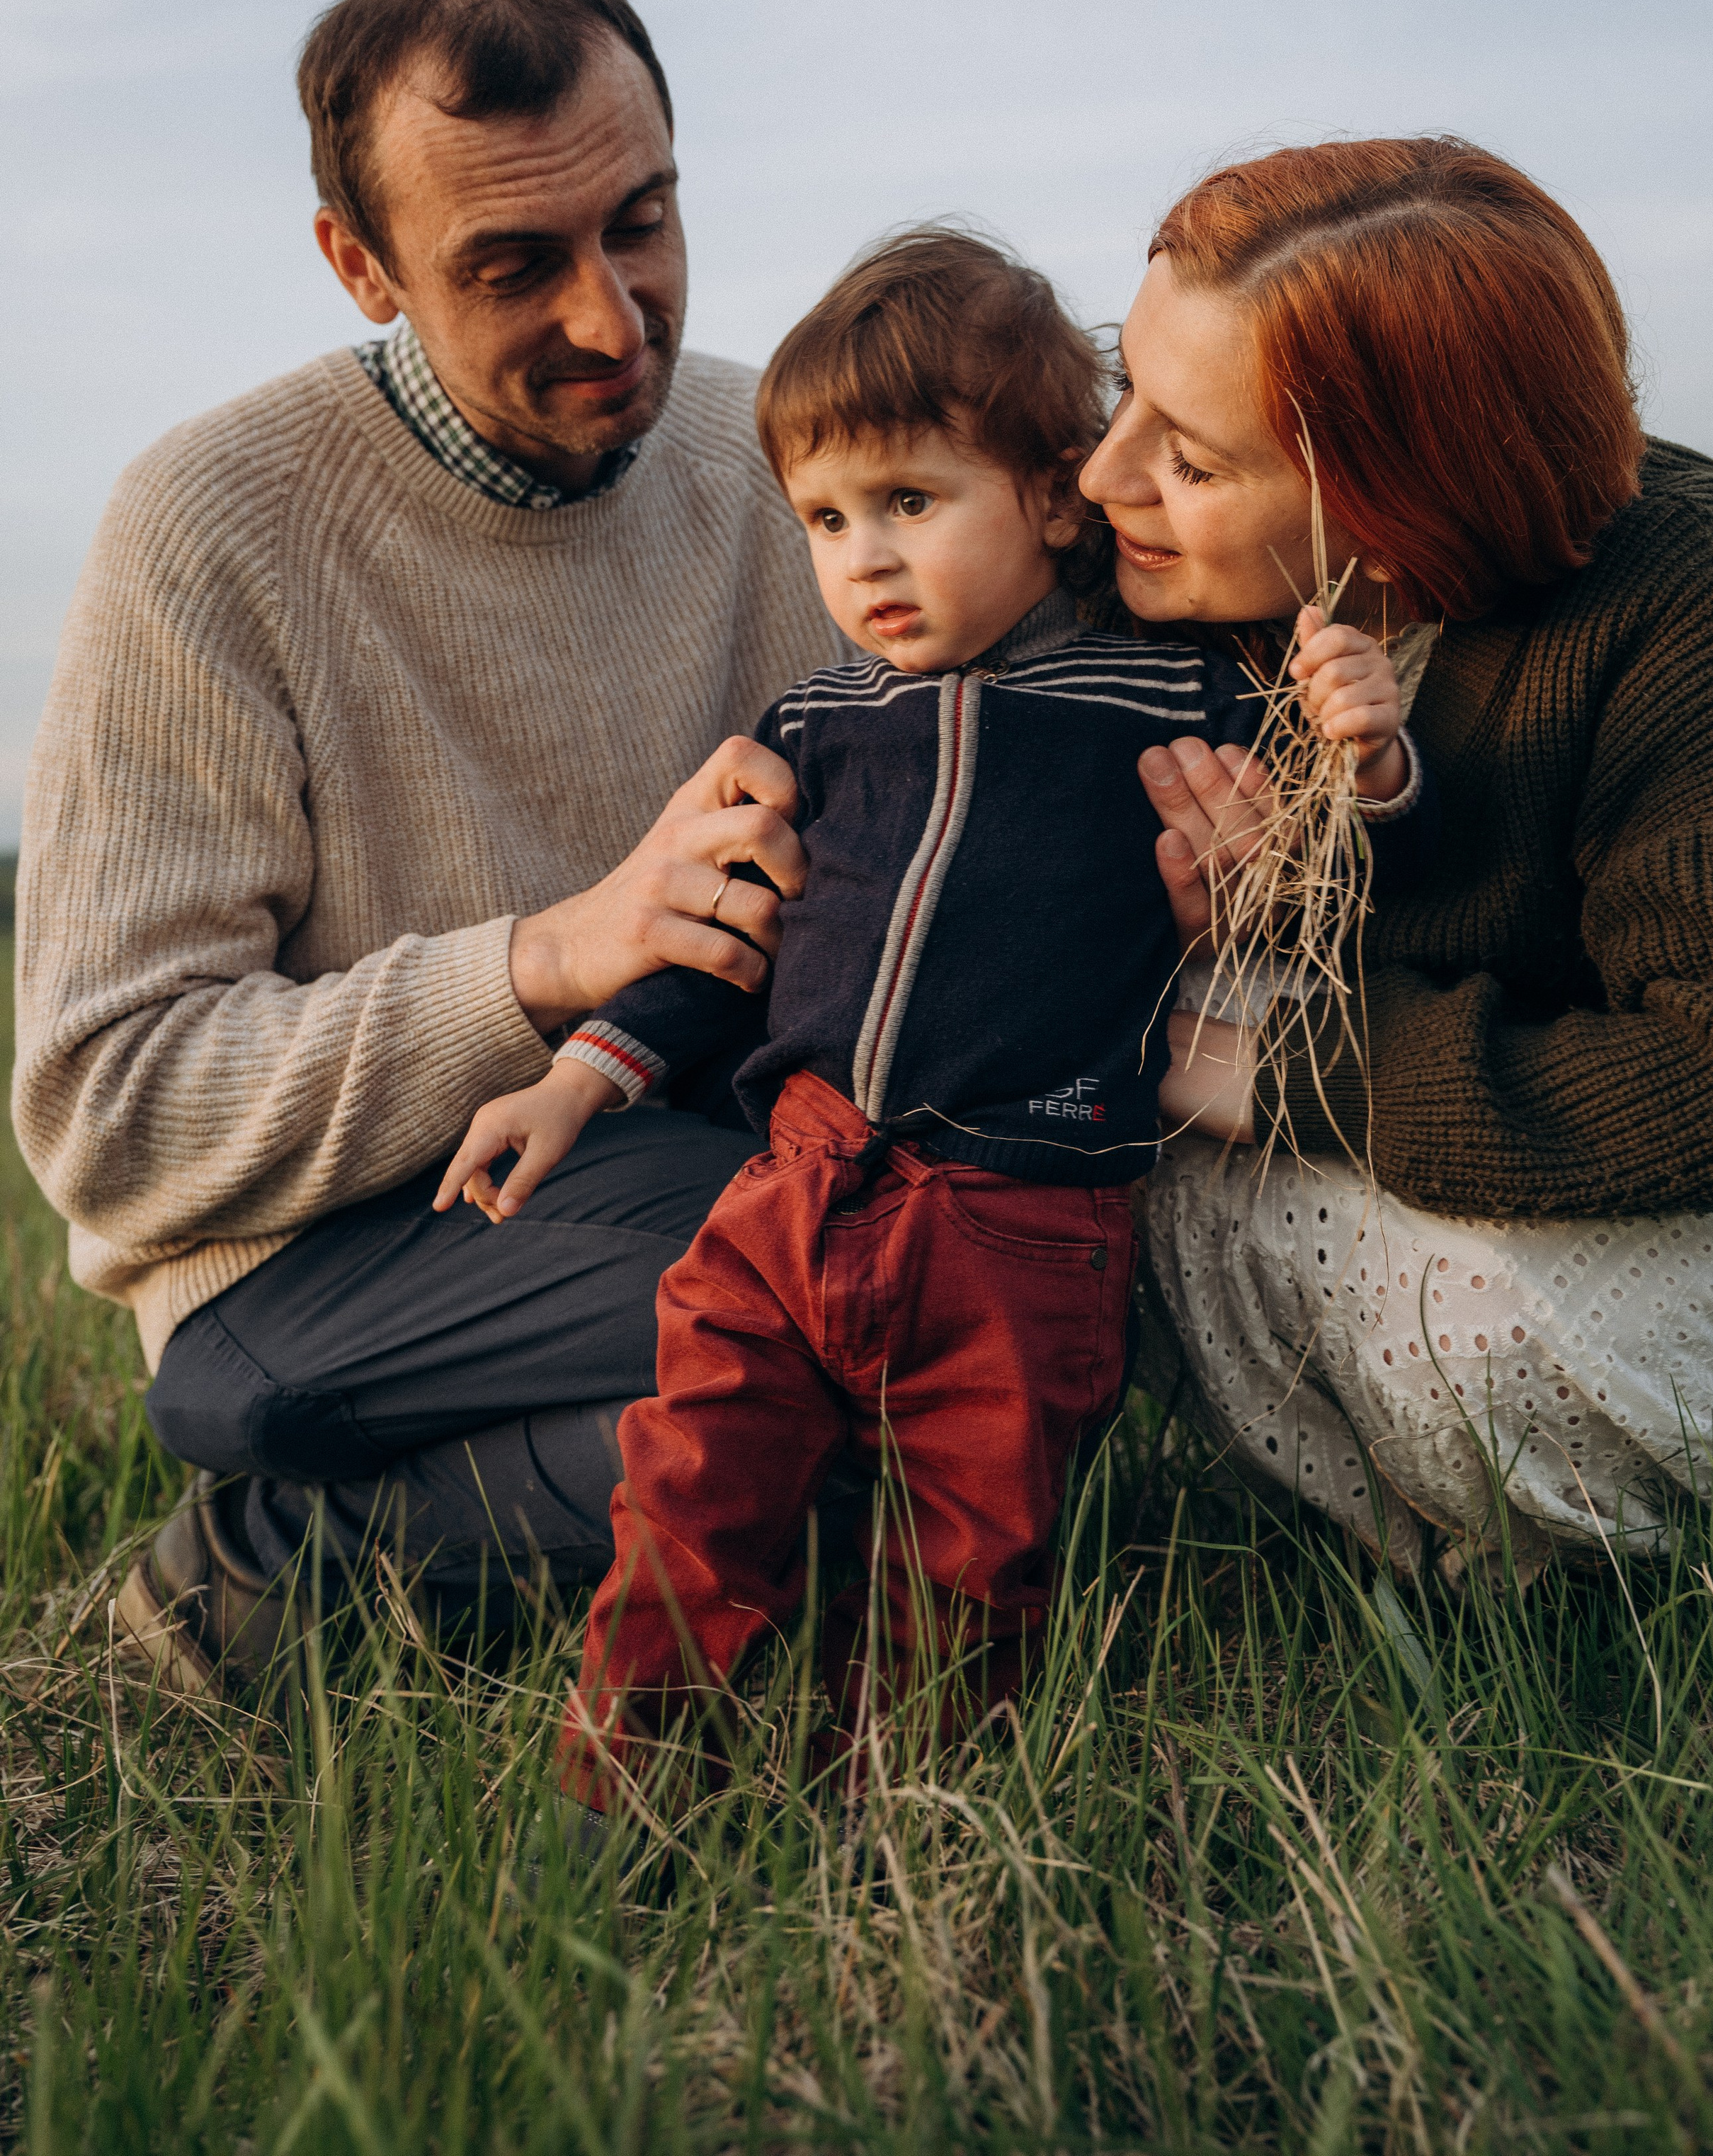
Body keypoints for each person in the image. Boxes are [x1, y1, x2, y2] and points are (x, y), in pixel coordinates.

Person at [431, 229, 1433, 1798]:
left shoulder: (1163, 695)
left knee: (975, 1537)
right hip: (794, 1186)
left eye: (909, 502)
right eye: (825, 518)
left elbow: (1313, 841)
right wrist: (577, 1079)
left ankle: (908, 1807)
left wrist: (1364, 755)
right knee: (691, 1479)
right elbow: (721, 947)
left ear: (1048, 495)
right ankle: (614, 1780)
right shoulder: (816, 727)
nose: (864, 561)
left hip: (1021, 1206)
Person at [11, 0, 841, 1689]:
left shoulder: (778, 460)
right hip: (318, 1259)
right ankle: (268, 1562)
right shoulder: (207, 530)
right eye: (514, 266)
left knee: (913, 1310)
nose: (610, 318)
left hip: (662, 1173)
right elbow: (110, 1109)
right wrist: (541, 962)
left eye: (642, 223)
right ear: (360, 267)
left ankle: (433, 1520)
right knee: (832, 1334)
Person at [1080, 135, 1713, 1582]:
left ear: (1396, 498)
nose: (1105, 476)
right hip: (1411, 1164)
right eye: (1123, 390)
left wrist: (1289, 1067)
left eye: (1190, 456)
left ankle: (1603, 1547)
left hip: (1707, 1223)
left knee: (1479, 1336)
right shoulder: (1158, 592)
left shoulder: (1676, 585)